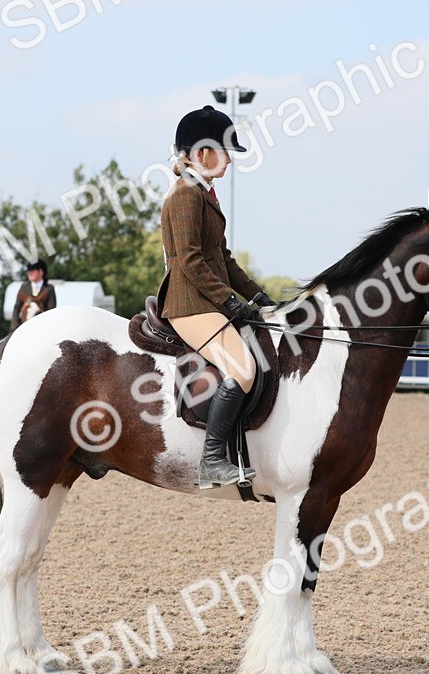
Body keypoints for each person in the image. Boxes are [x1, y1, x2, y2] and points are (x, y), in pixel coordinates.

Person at [157, 105, 277, 489]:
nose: (229, 160)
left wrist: (260, 297)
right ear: (203, 152)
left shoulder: (204, 193)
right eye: (225, 151)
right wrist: (229, 302)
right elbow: (190, 261)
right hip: (189, 304)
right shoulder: (186, 196)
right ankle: (212, 460)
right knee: (243, 370)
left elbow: (222, 258)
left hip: (205, 299)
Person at [11, 259, 56, 330]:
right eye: (29, 271)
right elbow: (17, 307)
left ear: (41, 271)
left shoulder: (49, 288)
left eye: (32, 271)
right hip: (23, 325)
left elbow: (51, 309)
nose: (30, 273)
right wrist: (14, 326)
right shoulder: (24, 287)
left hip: (43, 325)